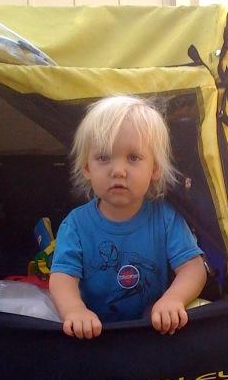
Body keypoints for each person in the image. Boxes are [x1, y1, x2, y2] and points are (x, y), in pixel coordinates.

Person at [49, 95, 207, 339]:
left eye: (133, 158)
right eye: (103, 157)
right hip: (92, 335)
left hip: (154, 332)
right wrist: (75, 310)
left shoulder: (165, 217)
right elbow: (62, 277)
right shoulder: (76, 224)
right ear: (87, 168)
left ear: (155, 169)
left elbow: (193, 268)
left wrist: (173, 299)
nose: (118, 171)